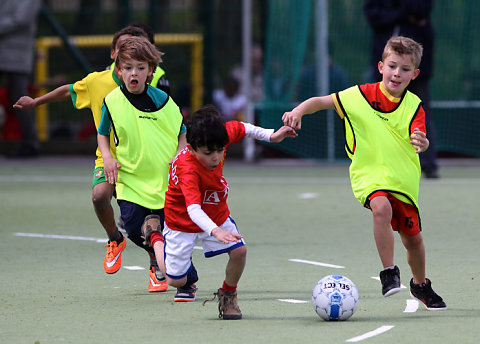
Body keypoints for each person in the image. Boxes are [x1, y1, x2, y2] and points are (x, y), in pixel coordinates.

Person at [282, 36, 446, 310]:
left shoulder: (414, 105)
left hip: (402, 181)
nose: (397, 73)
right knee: (380, 207)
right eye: (392, 66)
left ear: (414, 74)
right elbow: (320, 101)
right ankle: (389, 273)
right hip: (368, 177)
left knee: (413, 239)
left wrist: (424, 143)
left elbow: (420, 135)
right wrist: (298, 110)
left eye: (405, 69)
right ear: (381, 66)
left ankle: (420, 284)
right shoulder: (357, 96)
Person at [13, 25, 178, 292]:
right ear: (114, 54)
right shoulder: (97, 82)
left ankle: (155, 265)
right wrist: (35, 102)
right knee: (100, 195)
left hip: (144, 158)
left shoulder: (154, 83)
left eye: (138, 58)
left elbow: (169, 120)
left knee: (149, 215)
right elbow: (67, 90)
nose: (132, 65)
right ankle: (115, 238)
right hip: (110, 157)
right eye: (124, 50)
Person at [140, 105, 297, 317]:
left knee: (240, 251)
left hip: (215, 212)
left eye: (220, 150)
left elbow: (241, 127)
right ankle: (156, 237)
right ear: (192, 147)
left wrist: (272, 136)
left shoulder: (216, 138)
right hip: (182, 221)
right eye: (208, 153)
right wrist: (216, 232)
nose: (216, 157)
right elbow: (193, 209)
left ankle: (228, 296)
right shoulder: (187, 168)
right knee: (174, 280)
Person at [97, 36, 187, 296]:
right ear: (119, 71)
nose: (133, 73)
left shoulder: (165, 101)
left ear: (150, 71)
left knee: (169, 231)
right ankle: (154, 254)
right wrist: (108, 157)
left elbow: (183, 131)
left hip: (163, 178)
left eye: (140, 67)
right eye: (128, 67)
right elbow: (103, 132)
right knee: (135, 229)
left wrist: (180, 155)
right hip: (130, 178)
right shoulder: (112, 101)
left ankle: (162, 265)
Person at [364, 0, 439, 178]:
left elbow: (422, 10)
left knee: (421, 113)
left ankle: (428, 165)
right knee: (381, 114)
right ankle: (380, 162)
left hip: (418, 69)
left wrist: (400, 13)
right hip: (386, 71)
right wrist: (405, 16)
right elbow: (374, 17)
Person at [0, 0, 42, 157]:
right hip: (7, 51)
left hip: (16, 53)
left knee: (19, 97)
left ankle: (30, 143)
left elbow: (21, 19)